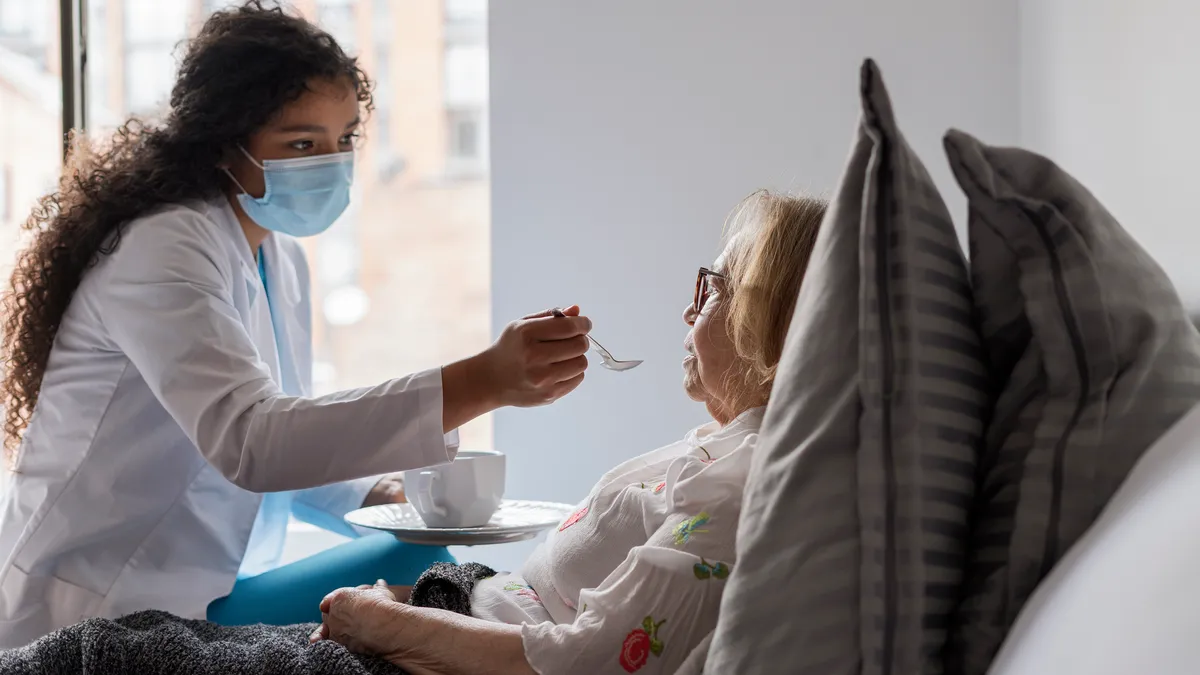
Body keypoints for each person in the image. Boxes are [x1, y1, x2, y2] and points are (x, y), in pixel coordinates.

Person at [0, 1, 591, 649]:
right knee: (426, 580)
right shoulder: (162, 246)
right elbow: (253, 441)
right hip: (103, 605)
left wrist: (384, 492)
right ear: (224, 143)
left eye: (345, 139)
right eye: (303, 143)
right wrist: (486, 378)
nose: (332, 163)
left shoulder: (274, 255)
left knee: (424, 564)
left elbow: (290, 441)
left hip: (194, 588)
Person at [312, 191, 828, 674]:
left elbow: (584, 661)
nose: (689, 312)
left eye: (711, 289)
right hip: (464, 607)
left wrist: (384, 625)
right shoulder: (722, 448)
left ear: (770, 328)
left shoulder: (739, 484)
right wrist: (406, 608)